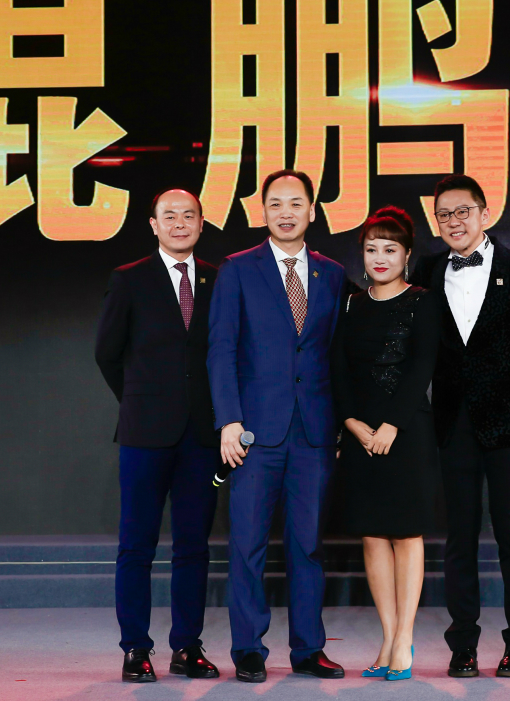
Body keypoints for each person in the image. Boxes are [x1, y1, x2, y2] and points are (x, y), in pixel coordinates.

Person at [410, 175, 510, 679]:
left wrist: (501, 371)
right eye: (443, 215)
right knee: (459, 535)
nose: (453, 222)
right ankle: (463, 645)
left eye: (462, 212)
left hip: (507, 419)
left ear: (484, 213)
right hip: (451, 420)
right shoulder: (427, 270)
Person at [207, 169, 348, 683]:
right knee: (247, 544)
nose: (286, 213)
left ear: (312, 210)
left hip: (313, 432)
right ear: (261, 211)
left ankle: (309, 649)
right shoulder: (238, 270)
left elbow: (335, 354)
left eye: (295, 203)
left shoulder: (332, 274)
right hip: (253, 434)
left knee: (308, 544)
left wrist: (338, 426)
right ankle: (248, 647)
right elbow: (221, 349)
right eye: (275, 204)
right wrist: (228, 420)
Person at [94, 188, 222, 683]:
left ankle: (187, 646)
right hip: (144, 434)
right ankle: (135, 648)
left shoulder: (217, 278)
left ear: (202, 222)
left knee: (193, 546)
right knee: (137, 545)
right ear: (153, 224)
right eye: (169, 216)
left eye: (189, 215)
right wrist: (140, 401)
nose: (179, 223)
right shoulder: (128, 279)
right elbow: (107, 353)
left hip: (202, 436)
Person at [330, 207, 441, 682]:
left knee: (406, 534)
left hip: (407, 432)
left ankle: (404, 639)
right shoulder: (349, 304)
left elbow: (422, 367)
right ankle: (388, 636)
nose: (379, 257)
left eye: (389, 249)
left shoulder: (422, 301)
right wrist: (353, 424)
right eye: (371, 249)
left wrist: (392, 425)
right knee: (372, 535)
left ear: (406, 254)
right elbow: (337, 369)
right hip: (359, 433)